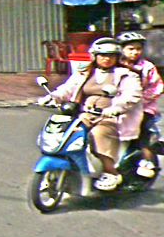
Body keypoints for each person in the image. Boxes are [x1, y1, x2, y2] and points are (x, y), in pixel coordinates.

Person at [42, 37, 143, 191]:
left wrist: (115, 108)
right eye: (102, 55)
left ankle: (110, 172)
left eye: (111, 55)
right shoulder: (85, 72)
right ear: (94, 56)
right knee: (66, 133)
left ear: (117, 57)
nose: (106, 59)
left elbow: (131, 95)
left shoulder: (126, 75)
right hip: (84, 114)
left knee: (98, 134)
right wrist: (53, 97)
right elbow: (68, 88)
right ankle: (65, 167)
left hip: (110, 117)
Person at [118, 31, 162, 178]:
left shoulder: (147, 67)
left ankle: (148, 162)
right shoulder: (116, 65)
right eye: (130, 49)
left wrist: (139, 100)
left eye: (138, 49)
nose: (135, 52)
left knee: (144, 133)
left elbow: (157, 87)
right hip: (119, 106)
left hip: (144, 108)